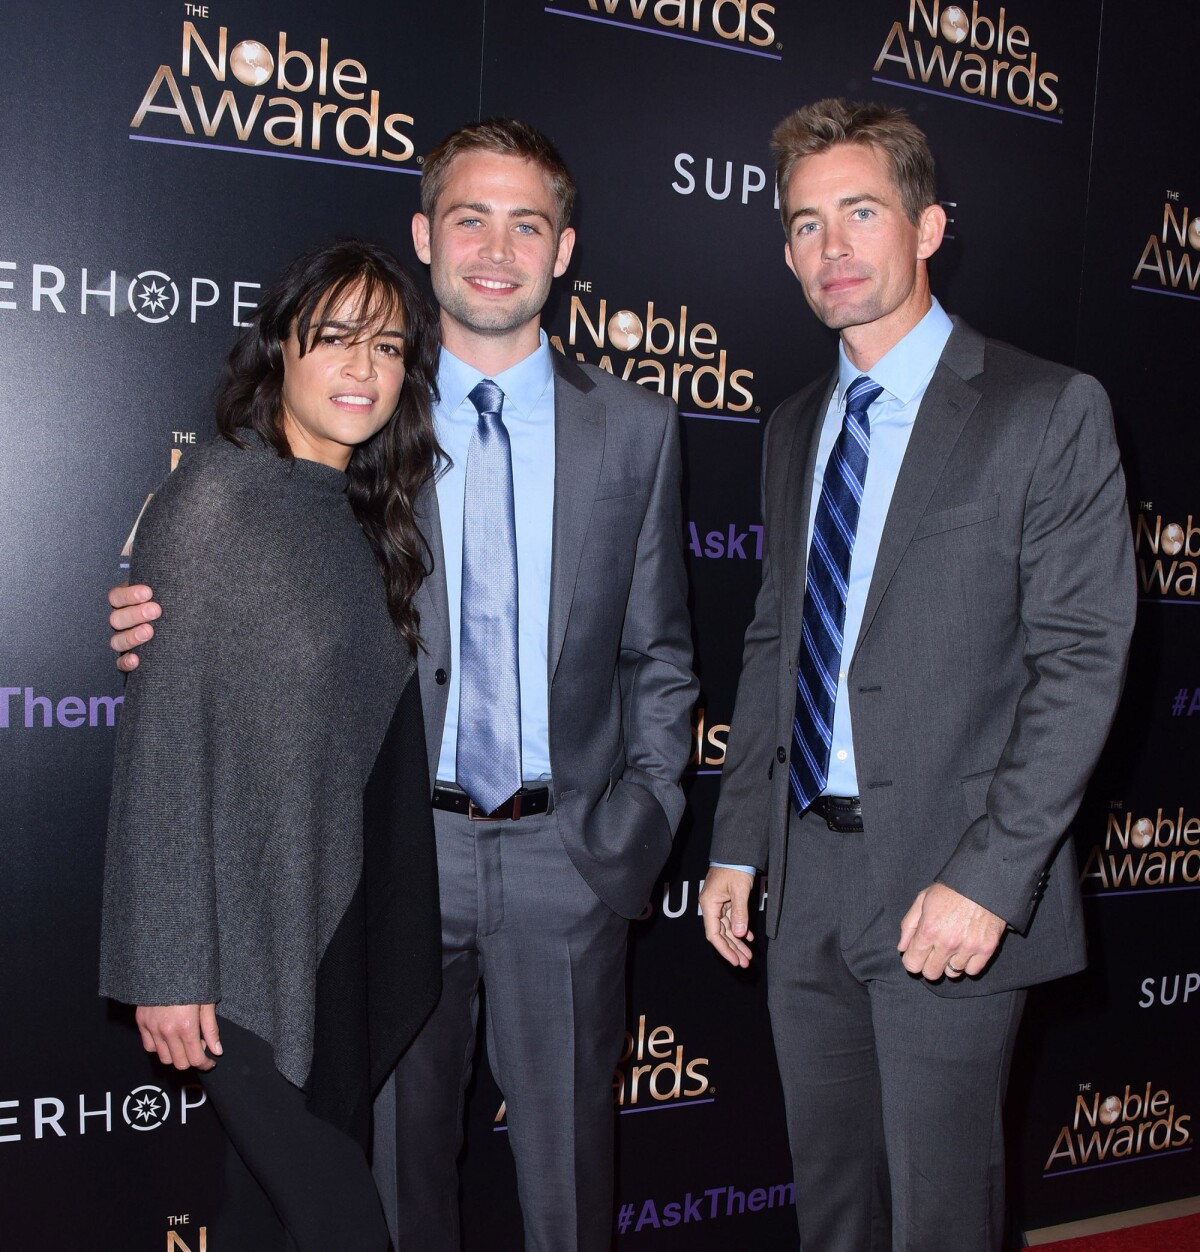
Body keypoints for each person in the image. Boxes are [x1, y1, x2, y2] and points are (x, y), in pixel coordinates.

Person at [109, 119, 698, 1252]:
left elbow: (661, 650)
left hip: (566, 857)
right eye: (469, 216)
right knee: (387, 1189)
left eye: (527, 222)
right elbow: (243, 546)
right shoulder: (372, 405)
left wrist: (644, 813)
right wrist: (142, 600)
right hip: (383, 868)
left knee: (571, 1194)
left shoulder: (636, 427)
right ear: (424, 236)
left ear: (563, 248)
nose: (496, 245)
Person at [699, 99, 1135, 1252]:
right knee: (835, 1204)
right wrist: (741, 839)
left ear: (928, 226)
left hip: (951, 882)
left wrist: (991, 879)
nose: (830, 248)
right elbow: (770, 640)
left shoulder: (1046, 410)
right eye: (803, 224)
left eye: (860, 212)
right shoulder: (794, 427)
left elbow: (1082, 659)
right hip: (805, 880)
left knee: (941, 1219)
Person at [100, 239, 443, 1252]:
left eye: (385, 346)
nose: (361, 367)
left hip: (327, 932)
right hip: (237, 957)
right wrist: (164, 965)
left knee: (263, 1222)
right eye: (333, 337)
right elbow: (161, 743)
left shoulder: (359, 517)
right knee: (344, 1227)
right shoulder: (215, 497)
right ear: (278, 352)